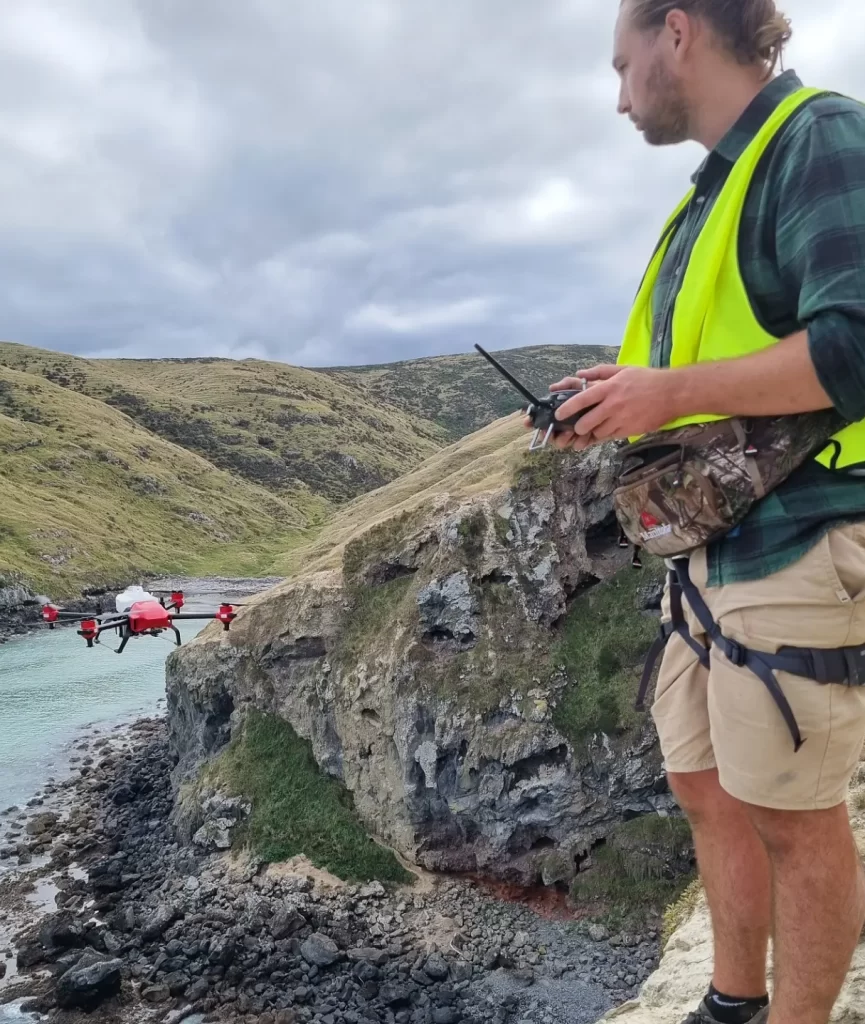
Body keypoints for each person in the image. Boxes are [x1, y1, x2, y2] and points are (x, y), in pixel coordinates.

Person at [540, 3, 865, 1023]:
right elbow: (710, 374)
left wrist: (667, 394)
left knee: (793, 814)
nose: (618, 91)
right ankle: (729, 999)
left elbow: (853, 345)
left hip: (801, 538)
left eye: (620, 62)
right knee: (705, 785)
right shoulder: (706, 198)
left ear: (675, 32)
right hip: (713, 550)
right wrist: (620, 394)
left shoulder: (817, 137)